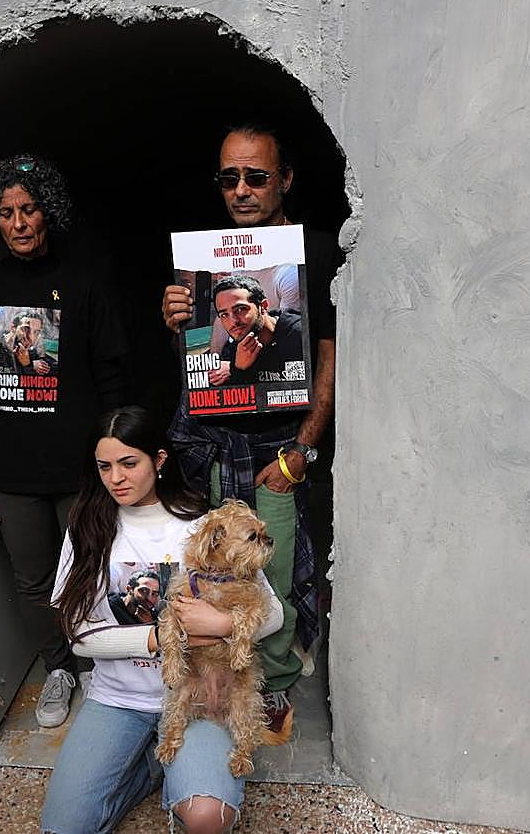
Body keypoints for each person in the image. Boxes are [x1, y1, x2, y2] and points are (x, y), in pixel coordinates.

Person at [161, 122, 341, 743]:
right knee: (218, 573)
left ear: (284, 179)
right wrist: (178, 323)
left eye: (256, 176)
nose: (241, 189)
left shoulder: (316, 254)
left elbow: (330, 357)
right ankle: (220, 677)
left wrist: (301, 452)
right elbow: (198, 371)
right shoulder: (204, 259)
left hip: (277, 451)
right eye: (229, 177)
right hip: (213, 451)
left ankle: (279, 678)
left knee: (278, 571)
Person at [41, 405, 283, 834]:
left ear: (159, 459)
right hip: (118, 699)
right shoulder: (87, 527)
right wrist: (156, 638)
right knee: (64, 828)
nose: (116, 478)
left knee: (208, 819)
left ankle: (173, 769)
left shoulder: (206, 525)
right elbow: (78, 636)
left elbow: (274, 614)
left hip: (201, 700)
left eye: (129, 463)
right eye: (105, 467)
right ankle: (153, 770)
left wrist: (224, 627)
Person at [0, 155, 127, 728]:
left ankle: (101, 668)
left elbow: (111, 378)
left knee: (94, 570)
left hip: (78, 466)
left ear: (47, 211)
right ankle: (59, 668)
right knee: (33, 581)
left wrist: (113, 458)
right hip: (12, 470)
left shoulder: (85, 282)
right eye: (6, 212)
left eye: (28, 209)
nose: (19, 223)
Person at [212, 273, 305, 385]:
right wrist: (238, 369)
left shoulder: (299, 336)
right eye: (224, 315)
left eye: (240, 309)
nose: (233, 321)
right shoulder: (235, 348)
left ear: (263, 307)